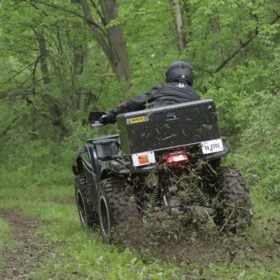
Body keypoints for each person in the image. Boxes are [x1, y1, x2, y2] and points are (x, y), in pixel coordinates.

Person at [99, 60, 200, 124]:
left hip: (159, 134)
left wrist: (111, 116)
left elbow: (135, 103)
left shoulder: (162, 89)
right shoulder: (195, 95)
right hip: (189, 139)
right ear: (190, 76)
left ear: (170, 75)